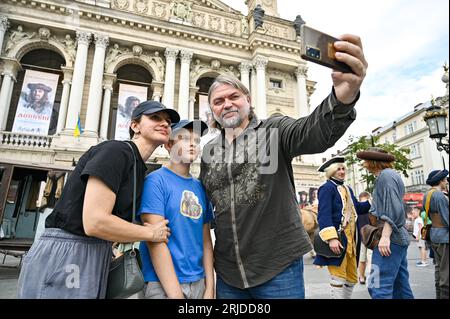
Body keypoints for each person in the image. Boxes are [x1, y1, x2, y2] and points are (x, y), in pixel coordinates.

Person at [199, 33, 368, 299]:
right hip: (229, 274)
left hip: (277, 270)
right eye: (218, 101)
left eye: (234, 97)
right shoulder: (209, 153)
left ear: (248, 101)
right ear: (212, 111)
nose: (227, 104)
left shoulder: (273, 130)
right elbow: (204, 204)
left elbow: (312, 132)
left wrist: (343, 98)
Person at [17, 101, 180, 298]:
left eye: (168, 121)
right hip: (70, 252)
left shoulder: (137, 165)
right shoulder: (116, 151)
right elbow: (95, 222)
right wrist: (150, 233)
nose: (164, 124)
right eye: (155, 118)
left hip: (94, 253)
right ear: (134, 126)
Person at [138, 120, 214, 299]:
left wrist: (209, 287)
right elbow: (155, 241)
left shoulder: (200, 187)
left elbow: (206, 241)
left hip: (198, 284)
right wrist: (176, 296)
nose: (192, 144)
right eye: (185, 139)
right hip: (162, 284)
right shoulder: (155, 182)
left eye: (196, 140)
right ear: (168, 144)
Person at [357, 147, 414, 299]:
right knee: (400, 288)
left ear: (372, 162)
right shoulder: (388, 175)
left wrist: (385, 237)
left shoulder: (386, 176)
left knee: (377, 287)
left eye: (365, 160)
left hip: (390, 237)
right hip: (396, 238)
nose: (363, 163)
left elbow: (393, 209)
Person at [313, 157, 371, 299]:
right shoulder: (326, 188)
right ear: (331, 172)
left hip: (351, 240)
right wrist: (332, 238)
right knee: (338, 278)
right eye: (338, 169)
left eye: (343, 168)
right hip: (338, 239)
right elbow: (324, 215)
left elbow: (357, 208)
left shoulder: (347, 188)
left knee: (351, 278)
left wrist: (371, 202)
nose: (342, 171)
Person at [423, 169, 449, 299]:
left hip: (434, 234)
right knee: (446, 272)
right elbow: (446, 218)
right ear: (440, 181)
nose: (446, 182)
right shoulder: (439, 195)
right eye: (445, 180)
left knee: (439, 269)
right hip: (444, 236)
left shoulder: (427, 194)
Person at [357, 191, 372, 284]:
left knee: (362, 259)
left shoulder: (357, 210)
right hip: (371, 236)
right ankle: (369, 277)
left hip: (362, 237)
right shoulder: (371, 209)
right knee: (369, 258)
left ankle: (362, 277)